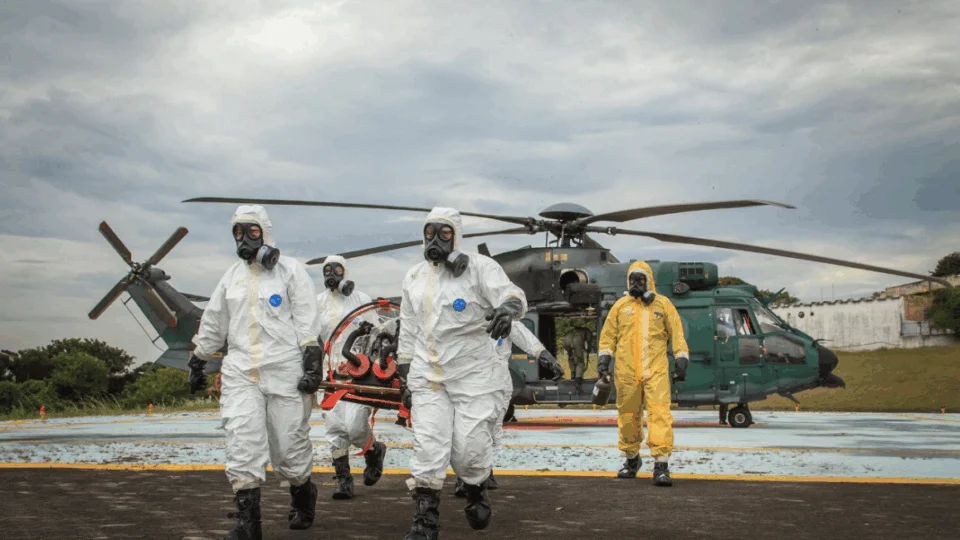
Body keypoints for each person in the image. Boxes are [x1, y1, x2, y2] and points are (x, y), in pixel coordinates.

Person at [187, 204, 325, 540]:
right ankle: (248, 524)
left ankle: (303, 491)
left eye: (251, 231)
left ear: (265, 232)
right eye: (238, 232)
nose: (244, 238)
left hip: (285, 372)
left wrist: (312, 361)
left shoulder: (290, 272)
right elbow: (214, 320)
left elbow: (308, 318)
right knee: (242, 442)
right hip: (241, 374)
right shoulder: (231, 278)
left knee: (288, 450)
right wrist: (199, 359)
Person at [396, 207, 528, 539]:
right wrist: (404, 373)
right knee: (428, 448)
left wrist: (508, 310)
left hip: (475, 377)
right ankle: (424, 521)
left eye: (444, 233)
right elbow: (409, 331)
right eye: (430, 233)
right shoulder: (413, 278)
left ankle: (475, 487)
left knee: (469, 450)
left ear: (456, 235)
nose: (436, 239)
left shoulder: (481, 269)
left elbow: (512, 295)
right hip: (429, 378)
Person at [596, 260, 689, 487]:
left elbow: (677, 333)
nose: (636, 284)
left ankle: (661, 465)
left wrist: (681, 357)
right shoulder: (620, 307)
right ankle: (631, 460)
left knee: (659, 414)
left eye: (640, 279)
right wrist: (603, 359)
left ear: (649, 281)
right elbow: (608, 336)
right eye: (632, 280)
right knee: (628, 415)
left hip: (656, 370)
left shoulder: (663, 305)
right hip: (626, 371)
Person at [453, 319, 563, 497]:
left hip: (498, 383)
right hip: (470, 381)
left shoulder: (503, 318)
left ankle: (484, 472)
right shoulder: (464, 316)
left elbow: (525, 338)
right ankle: (466, 477)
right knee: (468, 430)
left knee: (491, 429)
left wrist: (547, 358)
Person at [315, 254, 387, 499]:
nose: (332, 274)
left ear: (345, 272)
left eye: (336, 269)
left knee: (356, 428)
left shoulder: (362, 301)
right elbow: (310, 338)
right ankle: (343, 480)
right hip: (330, 374)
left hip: (358, 375)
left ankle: (374, 451)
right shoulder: (318, 304)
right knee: (335, 429)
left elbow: (378, 334)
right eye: (327, 271)